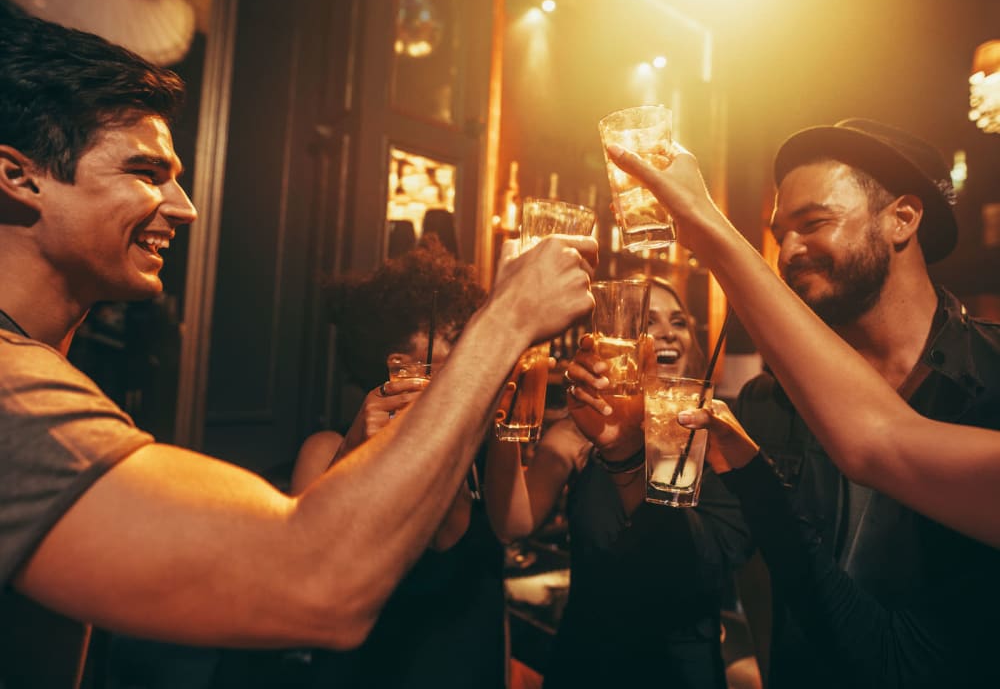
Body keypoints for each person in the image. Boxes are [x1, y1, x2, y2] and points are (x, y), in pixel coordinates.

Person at [0, 12, 596, 688]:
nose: (185, 206)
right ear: (20, 178)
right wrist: (507, 317)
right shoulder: (11, 392)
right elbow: (315, 580)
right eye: (146, 172)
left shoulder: (45, 370)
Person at [603, 119, 1000, 687]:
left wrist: (706, 225)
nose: (788, 251)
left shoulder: (992, 379)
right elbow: (717, 572)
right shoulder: (768, 404)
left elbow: (875, 441)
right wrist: (625, 457)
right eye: (780, 231)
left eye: (814, 223)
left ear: (903, 219)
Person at [485, 275, 752, 688]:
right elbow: (513, 523)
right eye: (648, 322)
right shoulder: (580, 433)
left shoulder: (717, 432)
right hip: (588, 662)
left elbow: (709, 566)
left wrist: (629, 450)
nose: (666, 331)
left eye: (678, 321)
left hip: (679, 672)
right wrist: (502, 418)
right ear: (618, 344)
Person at [285, 238, 505, 689]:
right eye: (450, 364)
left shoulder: (480, 458)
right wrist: (353, 451)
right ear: (397, 367)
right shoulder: (325, 449)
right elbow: (295, 571)